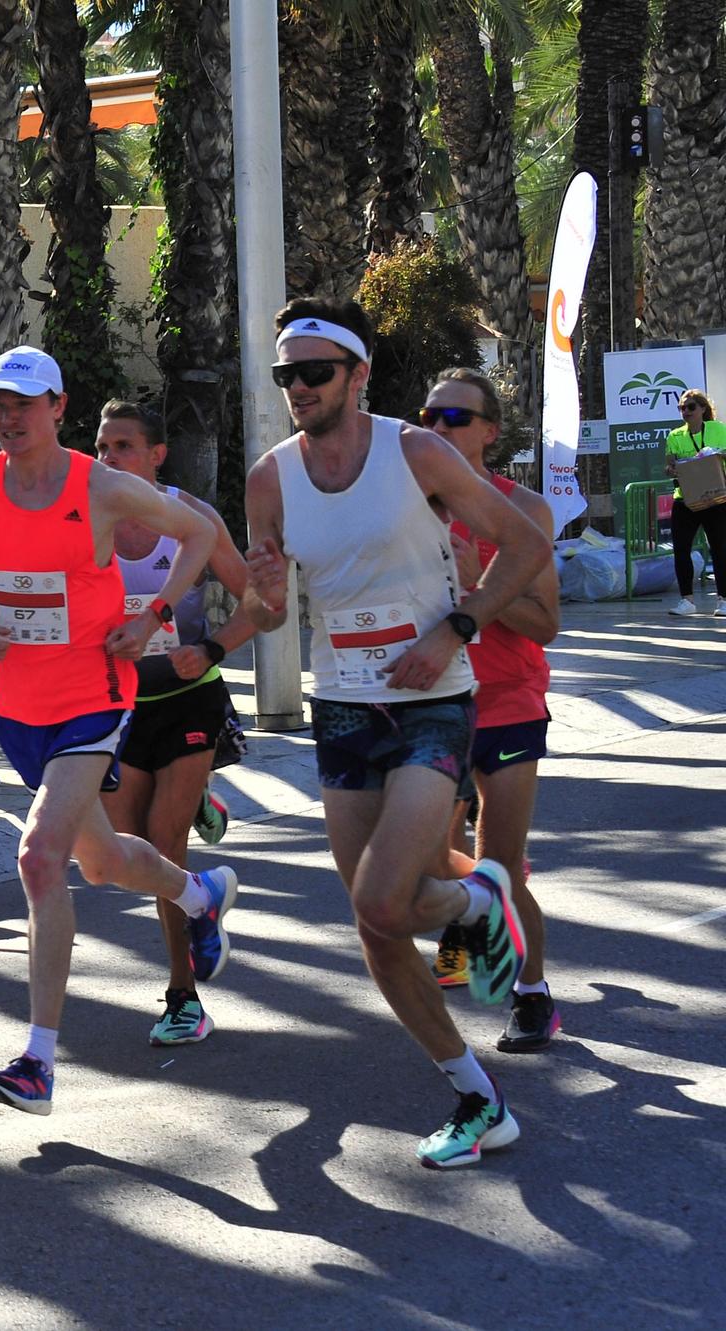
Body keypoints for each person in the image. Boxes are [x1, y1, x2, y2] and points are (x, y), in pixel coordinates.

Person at [242, 300, 547, 1168]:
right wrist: (262, 591)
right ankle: (477, 1094)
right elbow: (268, 613)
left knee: (381, 897)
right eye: (285, 375)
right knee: (378, 925)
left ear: (356, 374)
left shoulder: (417, 452)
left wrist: (459, 624)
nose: (297, 387)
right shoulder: (270, 478)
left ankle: (479, 901)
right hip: (343, 707)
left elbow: (524, 546)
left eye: (314, 372)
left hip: (433, 700)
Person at [0, 345, 238, 1119]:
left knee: (38, 856)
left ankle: (38, 1059)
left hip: (96, 697)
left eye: (24, 403)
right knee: (102, 860)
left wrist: (153, 613)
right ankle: (199, 894)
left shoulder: (102, 486)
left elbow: (196, 535)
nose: (8, 417)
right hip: (19, 708)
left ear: (59, 407)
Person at [93, 402, 254, 1047]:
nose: (109, 460)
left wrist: (211, 648)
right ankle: (201, 882)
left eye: (124, 447)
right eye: (102, 447)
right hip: (124, 704)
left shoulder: (193, 520)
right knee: (129, 849)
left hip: (190, 697)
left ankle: (182, 998)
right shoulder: (89, 524)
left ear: (157, 455)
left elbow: (261, 601)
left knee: (163, 841)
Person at [416, 369, 563, 1052]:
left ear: (490, 431)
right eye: (430, 415)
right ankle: (471, 924)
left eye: (456, 417)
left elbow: (544, 622)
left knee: (500, 861)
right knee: (423, 858)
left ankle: (533, 995)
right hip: (428, 702)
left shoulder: (522, 509)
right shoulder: (409, 505)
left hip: (507, 699)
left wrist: (479, 583)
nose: (440, 427)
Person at [662, 388, 726, 616]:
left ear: (702, 409)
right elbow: (669, 466)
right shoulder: (675, 436)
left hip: (716, 498)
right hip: (686, 500)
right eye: (682, 408)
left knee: (720, 549)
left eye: (690, 407)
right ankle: (686, 601)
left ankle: (723, 600)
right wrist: (671, 469)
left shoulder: (718, 429)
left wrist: (719, 453)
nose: (685, 412)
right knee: (680, 549)